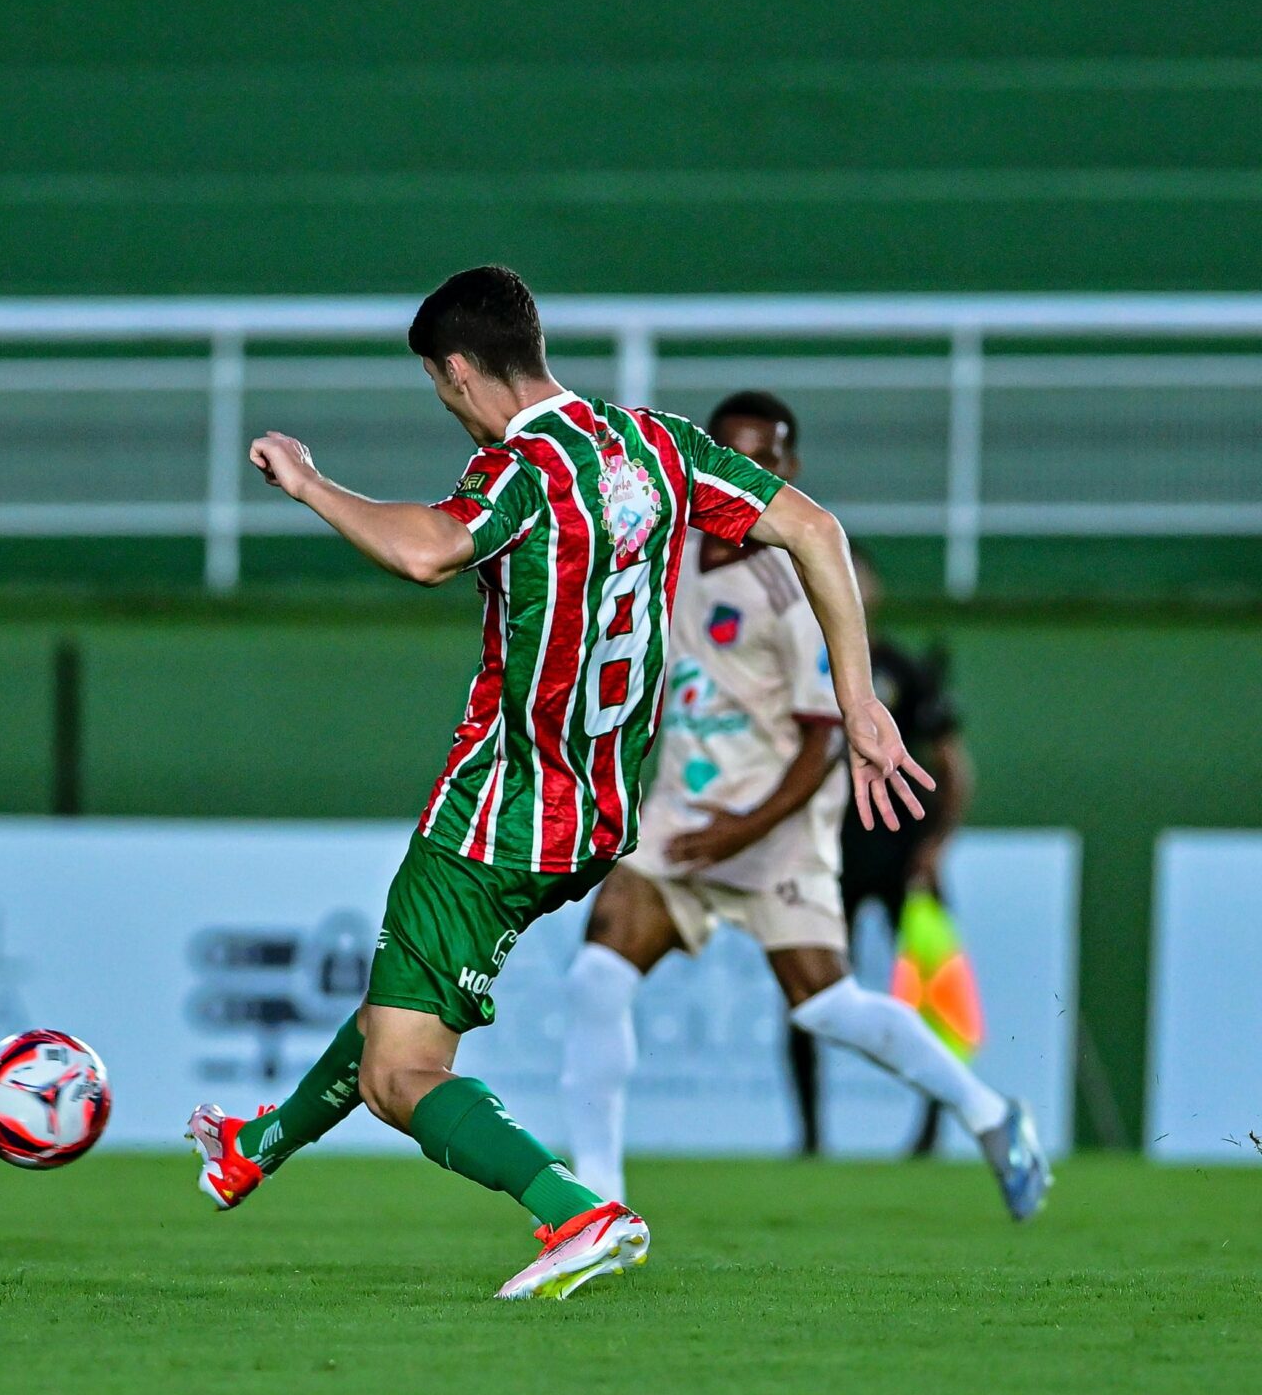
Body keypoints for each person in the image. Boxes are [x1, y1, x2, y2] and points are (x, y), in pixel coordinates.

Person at [185, 266, 974, 1303]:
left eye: (439, 386)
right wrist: (860, 699)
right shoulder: (656, 445)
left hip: (496, 809)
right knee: (407, 1003)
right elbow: (817, 531)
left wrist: (310, 481)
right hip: (602, 815)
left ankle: (576, 1210)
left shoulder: (526, 469)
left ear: (460, 369)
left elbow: (427, 551)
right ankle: (259, 1143)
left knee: (398, 1074)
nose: (447, 407)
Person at [556, 393, 1041, 1218]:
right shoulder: (668, 552)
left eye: (766, 461)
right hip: (682, 818)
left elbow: (823, 746)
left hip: (776, 828)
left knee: (827, 1006)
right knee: (598, 975)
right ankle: (598, 1210)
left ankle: (990, 1116)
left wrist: (744, 829)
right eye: (732, 455)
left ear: (790, 471)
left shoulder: (801, 585)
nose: (748, 474)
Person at [785, 543, 973, 1158]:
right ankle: (811, 1136)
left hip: (902, 859)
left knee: (927, 993)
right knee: (809, 995)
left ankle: (931, 1130)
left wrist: (936, 846)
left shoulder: (900, 669)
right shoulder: (800, 664)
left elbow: (953, 765)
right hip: (828, 856)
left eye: (861, 576)